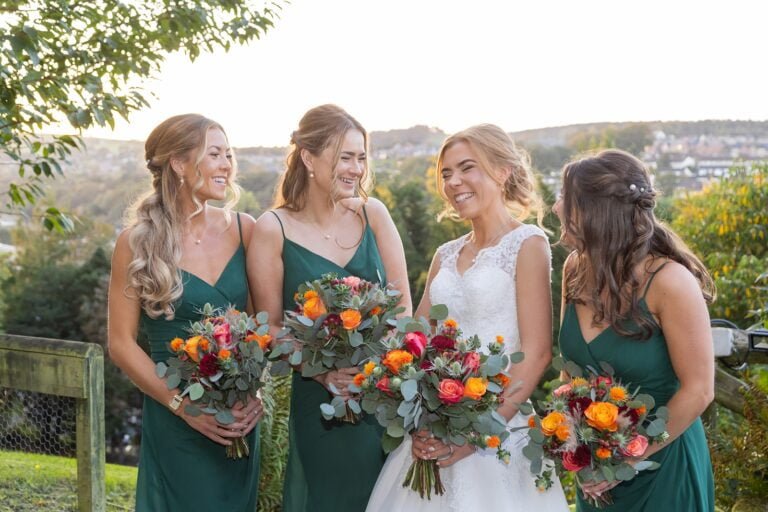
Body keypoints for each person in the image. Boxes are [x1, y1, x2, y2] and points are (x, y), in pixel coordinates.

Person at [366, 124, 570, 511]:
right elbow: (415, 344)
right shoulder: (444, 253)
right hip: (434, 430)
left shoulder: (528, 244)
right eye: (446, 173)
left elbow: (538, 352)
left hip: (498, 432)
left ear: (502, 171)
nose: (453, 182)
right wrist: (417, 416)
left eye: (466, 168)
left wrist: (475, 436)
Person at [247, 104, 412, 511]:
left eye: (361, 158)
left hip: (386, 398)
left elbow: (403, 308)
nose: (356, 169)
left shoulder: (374, 215)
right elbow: (267, 325)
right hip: (321, 406)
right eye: (345, 157)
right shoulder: (273, 228)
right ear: (309, 158)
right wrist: (322, 372)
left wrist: (377, 369)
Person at [108, 114, 263, 511]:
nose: (227, 165)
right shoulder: (136, 243)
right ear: (178, 163)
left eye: (229, 155)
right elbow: (121, 343)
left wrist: (255, 393)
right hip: (174, 418)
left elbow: (261, 329)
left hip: (237, 421)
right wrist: (183, 406)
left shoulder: (246, 230)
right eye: (215, 154)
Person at [553, 149, 715, 511]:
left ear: (597, 212)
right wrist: (571, 439)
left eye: (565, 198)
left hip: (663, 466)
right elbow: (571, 373)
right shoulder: (574, 268)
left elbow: (699, 390)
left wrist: (627, 458)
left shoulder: (670, 282)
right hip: (596, 472)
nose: (556, 207)